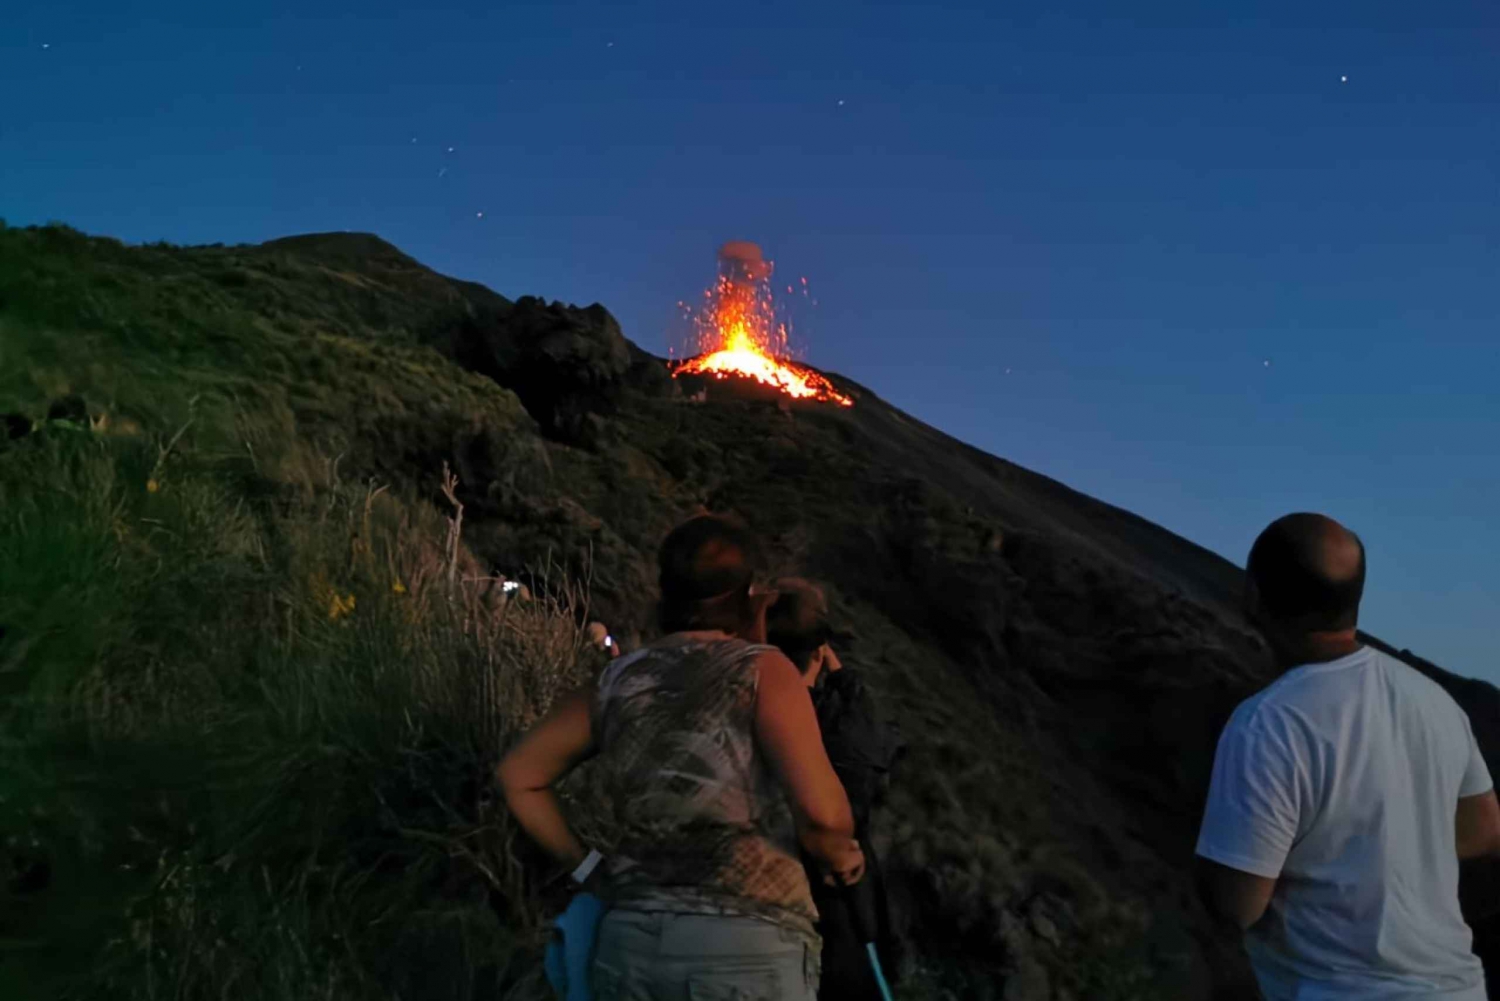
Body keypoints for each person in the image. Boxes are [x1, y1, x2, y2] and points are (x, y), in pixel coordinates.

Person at [498, 514, 864, 1001]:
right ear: (748, 594)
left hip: (629, 946)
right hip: (745, 948)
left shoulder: (617, 679)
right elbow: (823, 818)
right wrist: (841, 854)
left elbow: (518, 775)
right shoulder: (763, 670)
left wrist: (588, 868)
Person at [1196, 513, 1500, 1000]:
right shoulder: (1434, 702)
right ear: (1354, 598)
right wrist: (1393, 851)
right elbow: (1484, 830)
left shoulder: (1268, 722)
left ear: (1254, 594)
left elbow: (1237, 905)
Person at [766, 578, 905, 1000]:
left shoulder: (747, 708)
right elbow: (875, 745)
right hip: (838, 906)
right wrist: (843, 678)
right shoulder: (843, 728)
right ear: (819, 651)